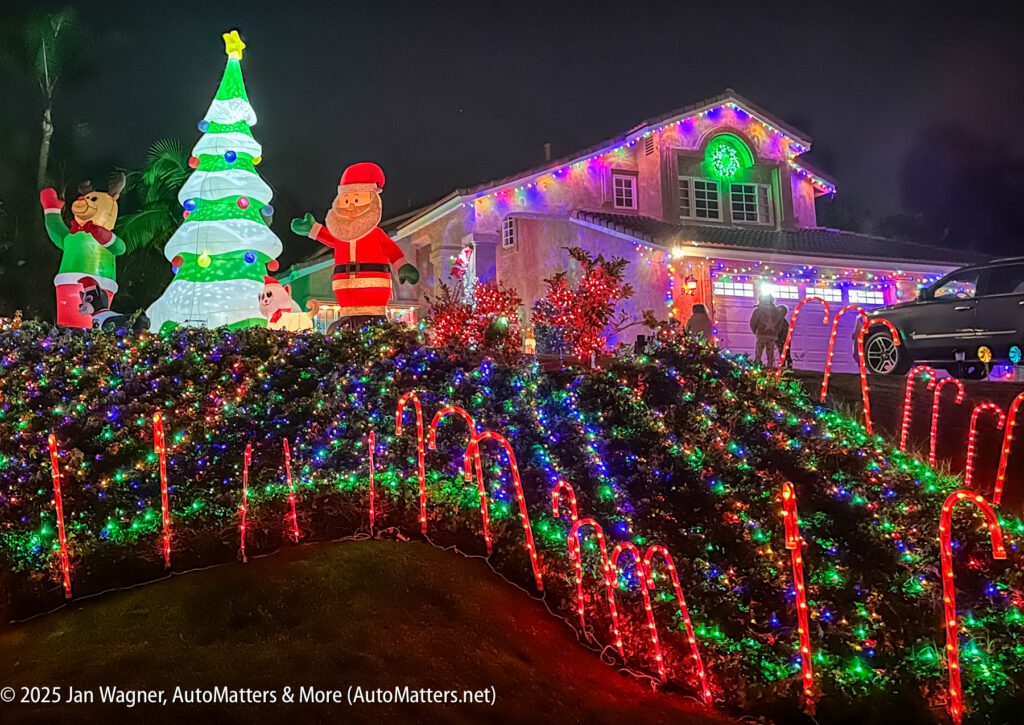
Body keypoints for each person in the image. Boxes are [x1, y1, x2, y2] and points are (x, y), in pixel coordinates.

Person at [749, 294, 782, 367]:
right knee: (770, 352)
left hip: (761, 334)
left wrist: (755, 331)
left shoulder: (758, 310)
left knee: (759, 352)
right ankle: (770, 367)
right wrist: (776, 331)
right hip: (772, 335)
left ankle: (757, 365)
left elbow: (753, 322)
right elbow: (780, 323)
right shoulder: (777, 311)